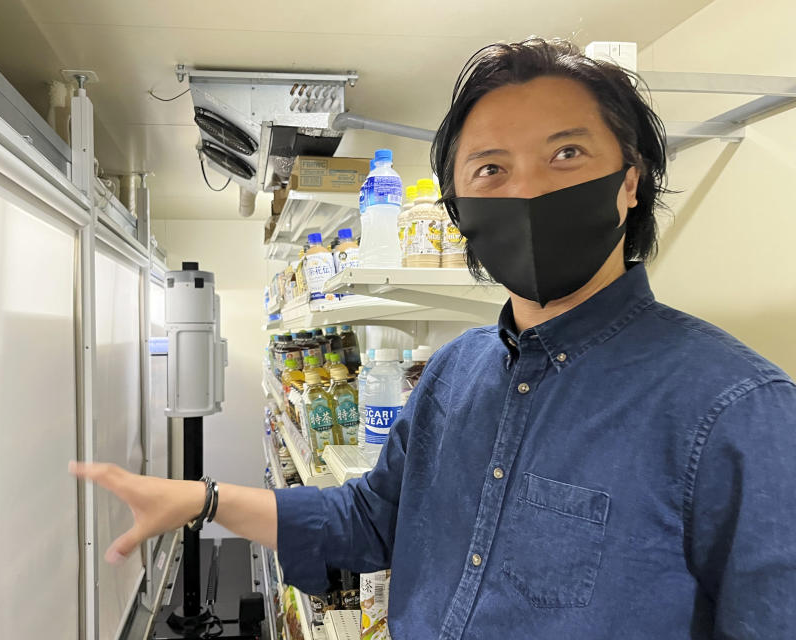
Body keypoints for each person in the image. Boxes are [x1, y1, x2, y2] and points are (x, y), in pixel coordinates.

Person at [70, 39, 796, 638]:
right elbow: (367, 518)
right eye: (491, 169)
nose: (528, 191)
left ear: (631, 182)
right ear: (461, 210)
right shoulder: (453, 374)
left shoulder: (737, 410)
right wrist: (202, 499)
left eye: (566, 155)